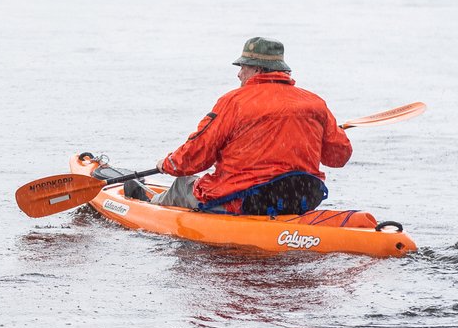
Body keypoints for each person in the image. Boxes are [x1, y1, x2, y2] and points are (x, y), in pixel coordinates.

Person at [144, 37, 352, 216]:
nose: (239, 74)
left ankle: (145, 207)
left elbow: (197, 153)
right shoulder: (315, 103)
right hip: (298, 200)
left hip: (247, 200)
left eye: (243, 67)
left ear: (258, 69)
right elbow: (338, 157)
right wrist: (327, 131)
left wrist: (168, 163)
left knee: (182, 184)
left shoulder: (234, 102)